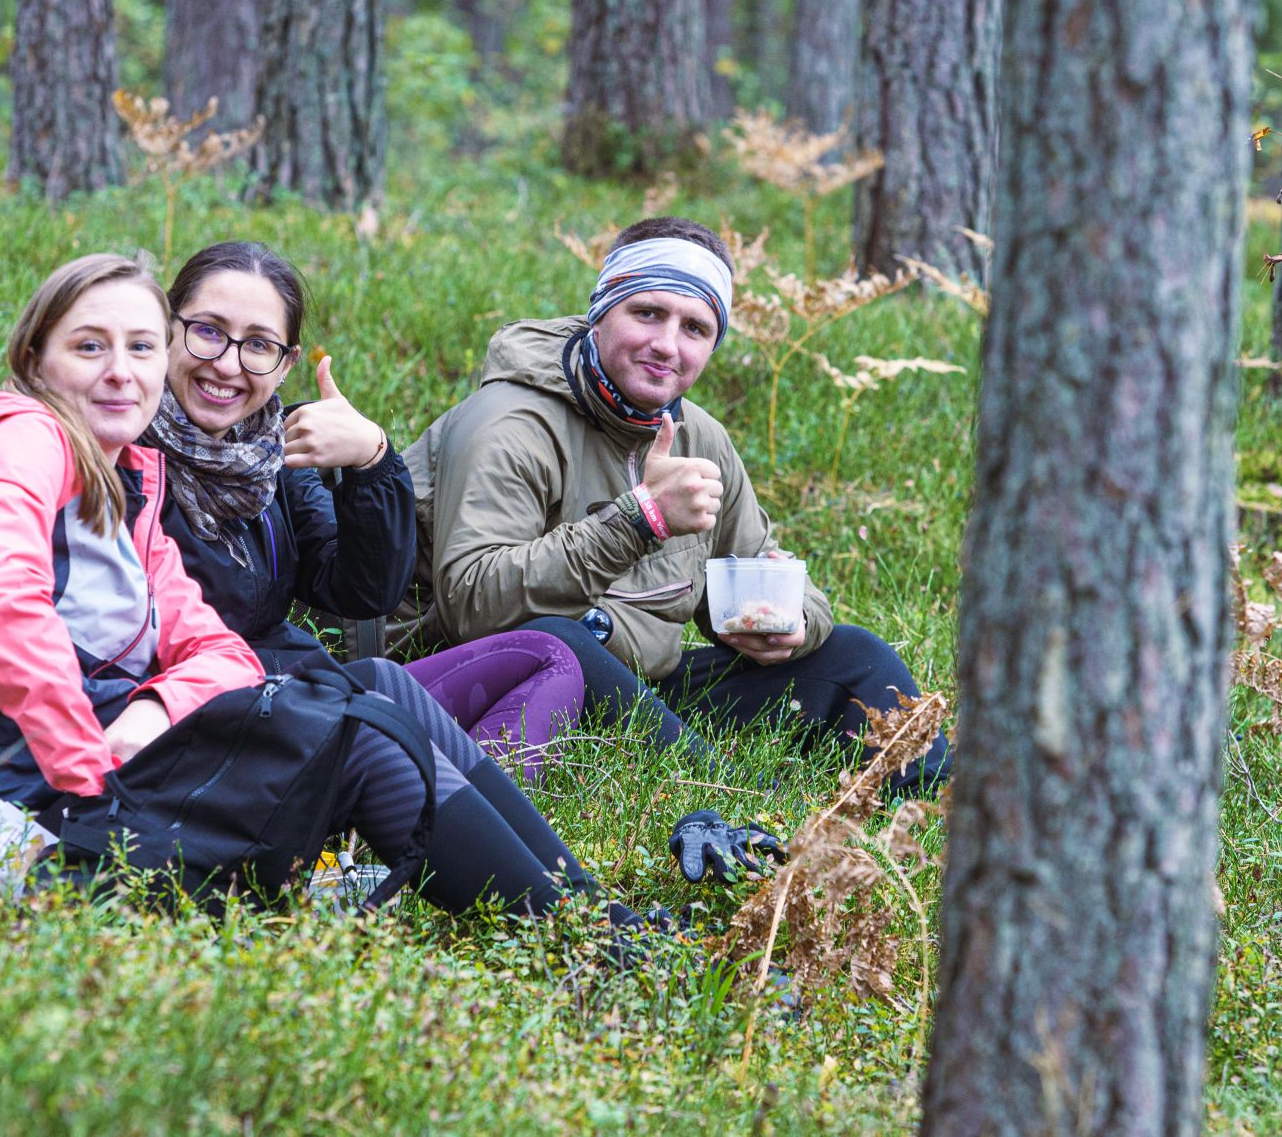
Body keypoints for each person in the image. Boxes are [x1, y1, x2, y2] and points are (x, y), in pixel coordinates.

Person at [0, 252, 596, 916]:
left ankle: (590, 914)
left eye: (138, 347)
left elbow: (235, 644)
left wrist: (373, 463)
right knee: (356, 732)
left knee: (380, 698)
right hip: (7, 827)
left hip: (110, 780)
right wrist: (85, 765)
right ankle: (581, 938)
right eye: (90, 346)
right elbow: (1, 596)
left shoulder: (133, 486)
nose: (121, 369)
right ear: (34, 360)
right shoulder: (29, 437)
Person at [397, 216, 952, 795]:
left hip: (637, 687)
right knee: (564, 637)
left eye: (695, 328)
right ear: (601, 310)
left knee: (855, 655)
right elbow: (472, 606)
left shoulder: (698, 436)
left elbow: (757, 565)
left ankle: (941, 813)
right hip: (493, 684)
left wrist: (792, 623)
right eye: (647, 314)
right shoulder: (510, 423)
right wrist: (642, 520)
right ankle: (726, 800)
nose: (668, 345)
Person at [141, 240, 583, 782]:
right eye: (207, 330)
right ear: (167, 327)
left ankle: (433, 818)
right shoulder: (121, 451)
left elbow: (358, 590)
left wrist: (372, 461)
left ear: (287, 366)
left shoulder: (271, 454)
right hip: (224, 726)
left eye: (259, 345)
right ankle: (423, 818)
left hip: (300, 699)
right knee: (384, 698)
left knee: (547, 654)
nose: (228, 364)